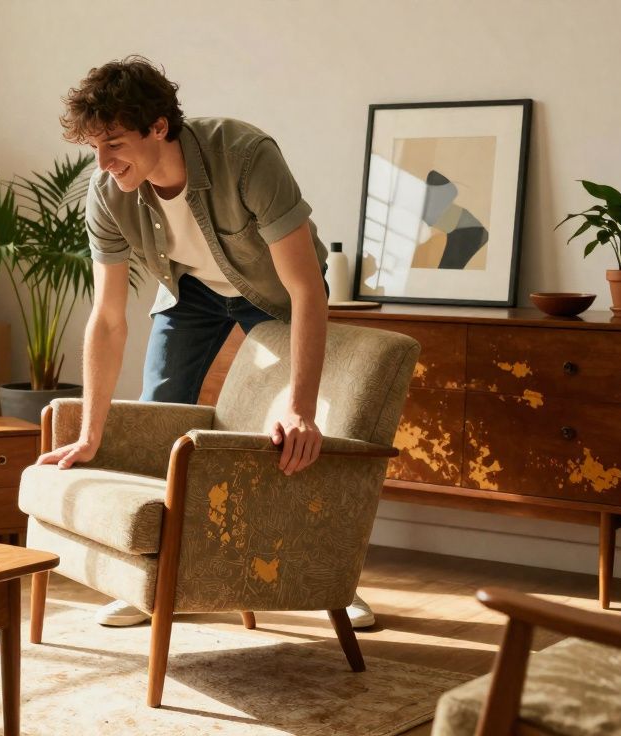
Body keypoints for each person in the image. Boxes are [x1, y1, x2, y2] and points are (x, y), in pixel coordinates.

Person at [35, 56, 376, 629]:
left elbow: (305, 287)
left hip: (274, 295)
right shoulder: (107, 192)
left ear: (159, 127)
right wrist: (92, 433)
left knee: (295, 435)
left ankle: (330, 581)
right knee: (157, 417)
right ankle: (154, 579)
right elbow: (108, 319)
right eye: (93, 147)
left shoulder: (245, 156)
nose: (102, 162)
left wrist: (300, 407)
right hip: (188, 292)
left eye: (114, 143)